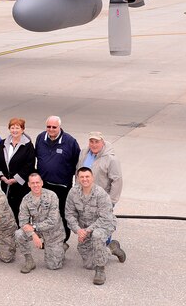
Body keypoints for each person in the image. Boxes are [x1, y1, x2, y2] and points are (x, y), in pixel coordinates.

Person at [77, 132, 125, 262]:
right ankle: (97, 249)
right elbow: (79, 174)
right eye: (91, 141)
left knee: (103, 226)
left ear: (102, 142)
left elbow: (117, 180)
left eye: (97, 142)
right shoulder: (84, 153)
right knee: (88, 224)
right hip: (85, 198)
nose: (94, 144)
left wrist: (112, 201)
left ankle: (109, 248)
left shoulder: (111, 159)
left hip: (103, 200)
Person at [66, 167, 117, 285]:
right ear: (77, 178)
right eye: (82, 177)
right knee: (89, 264)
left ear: (92, 178)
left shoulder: (101, 193)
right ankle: (112, 249)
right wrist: (78, 230)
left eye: (87, 176)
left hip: (104, 224)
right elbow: (69, 214)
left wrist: (86, 231)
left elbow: (105, 217)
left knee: (97, 235)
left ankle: (100, 270)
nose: (85, 179)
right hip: (84, 228)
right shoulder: (73, 193)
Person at [34, 115, 80, 242]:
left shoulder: (70, 141)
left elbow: (77, 162)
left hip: (62, 186)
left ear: (59, 127)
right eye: (48, 126)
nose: (51, 129)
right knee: (44, 212)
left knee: (62, 213)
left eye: (54, 127)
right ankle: (46, 237)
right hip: (44, 185)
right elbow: (37, 157)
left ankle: (63, 239)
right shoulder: (40, 138)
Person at [15, 173, 65, 273]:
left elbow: (53, 221)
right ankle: (29, 261)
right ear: (29, 184)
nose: (35, 185)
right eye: (32, 183)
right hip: (37, 230)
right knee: (19, 234)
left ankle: (61, 247)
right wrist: (33, 234)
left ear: (42, 183)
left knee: (53, 265)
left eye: (37, 182)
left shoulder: (52, 196)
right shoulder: (26, 199)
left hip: (53, 232)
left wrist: (33, 227)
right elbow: (23, 221)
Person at [0, 117, 35, 225]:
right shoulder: (2, 143)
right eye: (12, 127)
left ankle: (20, 233)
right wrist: (2, 177)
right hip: (5, 183)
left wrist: (15, 179)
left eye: (17, 128)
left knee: (20, 211)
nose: (15, 130)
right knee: (7, 210)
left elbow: (29, 165)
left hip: (20, 186)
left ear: (22, 129)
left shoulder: (28, 145)